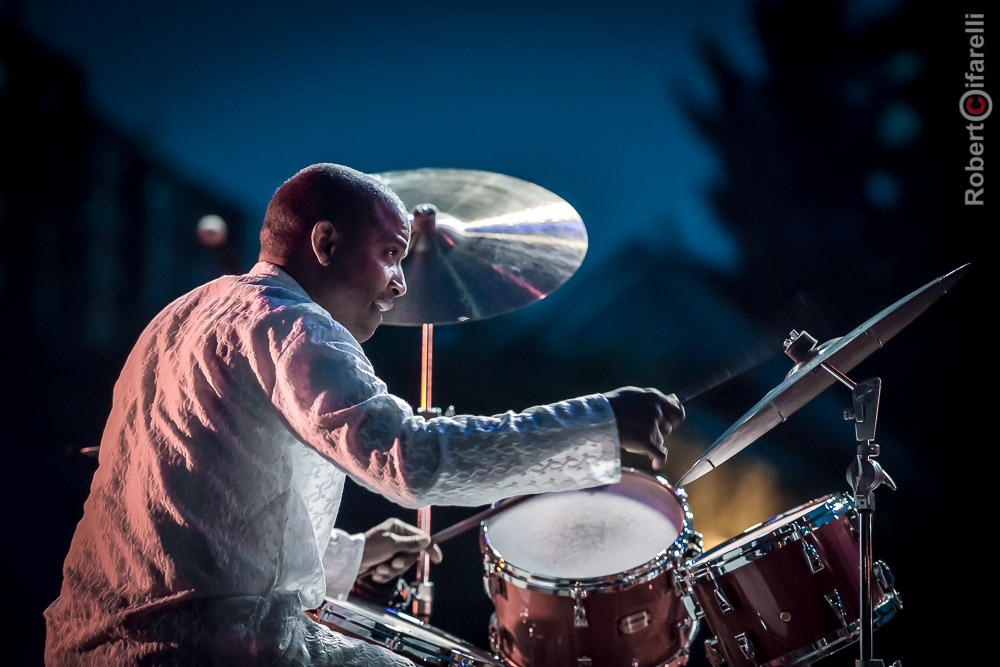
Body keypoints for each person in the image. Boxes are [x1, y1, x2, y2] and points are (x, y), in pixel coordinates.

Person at [44, 163, 684, 666]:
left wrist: (350, 556)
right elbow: (409, 460)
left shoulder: (180, 317)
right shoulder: (290, 323)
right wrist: (597, 425)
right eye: (389, 253)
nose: (402, 283)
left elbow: (204, 526)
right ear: (323, 242)